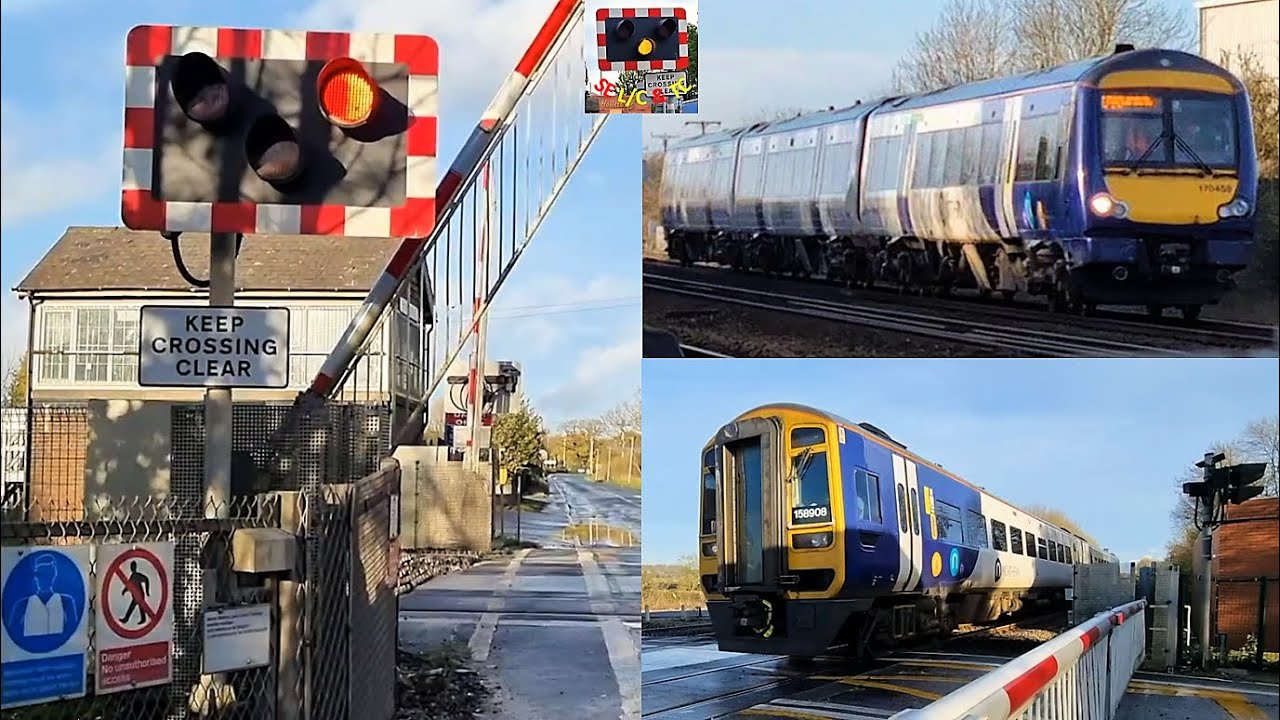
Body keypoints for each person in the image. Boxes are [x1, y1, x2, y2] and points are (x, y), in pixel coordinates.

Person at [5, 554, 79, 640]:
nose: (44, 579)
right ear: (36, 577)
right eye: (40, 575)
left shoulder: (66, 601)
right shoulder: (22, 604)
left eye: (48, 574)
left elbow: (74, 633)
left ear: (53, 575)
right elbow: (12, 636)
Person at [121, 560, 152, 626]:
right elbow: (129, 585)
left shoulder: (137, 576)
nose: (132, 568)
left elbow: (146, 579)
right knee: (139, 607)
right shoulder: (132, 576)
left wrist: (147, 591)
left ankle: (127, 619)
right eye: (131, 567)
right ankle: (142, 619)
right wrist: (124, 591)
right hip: (136, 595)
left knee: (134, 607)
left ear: (135, 567)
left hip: (139, 595)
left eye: (133, 567)